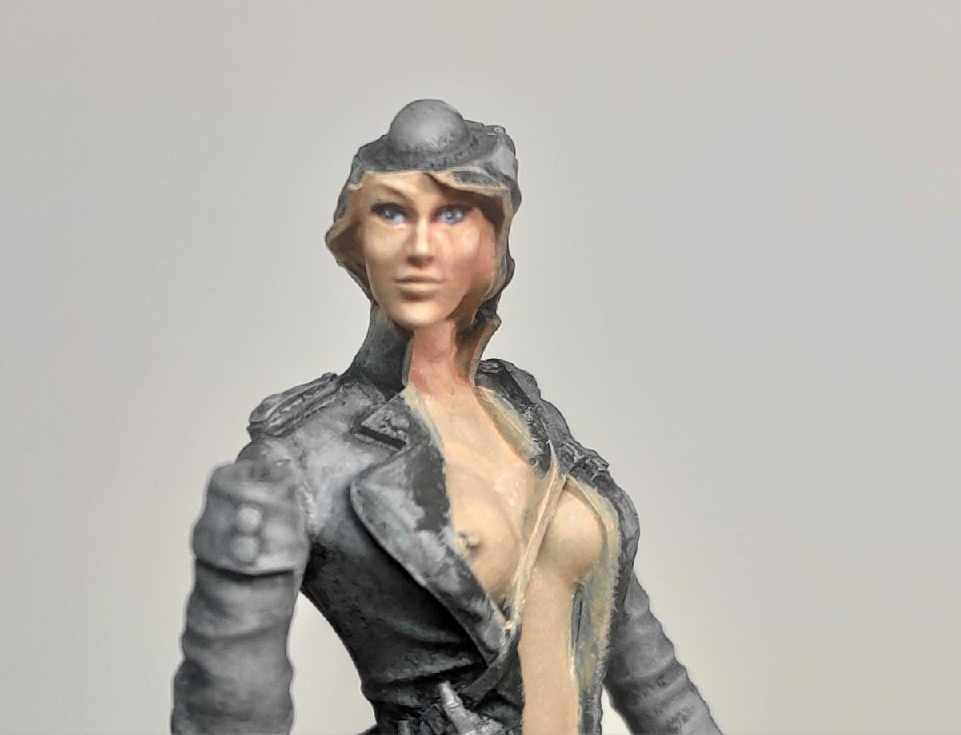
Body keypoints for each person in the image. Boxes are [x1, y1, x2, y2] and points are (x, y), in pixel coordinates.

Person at [172, 100, 721, 735]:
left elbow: (656, 683)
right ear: (358, 240)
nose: (420, 248)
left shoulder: (528, 415)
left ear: (495, 240)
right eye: (392, 213)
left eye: (452, 214)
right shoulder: (298, 456)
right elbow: (228, 713)